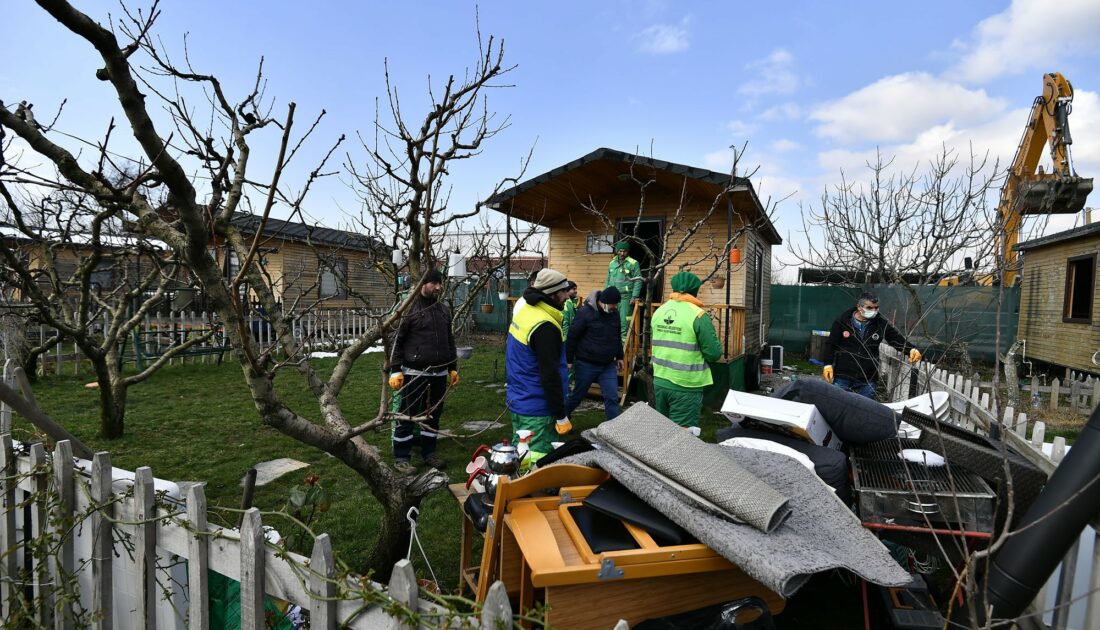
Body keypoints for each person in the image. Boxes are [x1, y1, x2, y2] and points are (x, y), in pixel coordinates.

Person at [387, 269, 459, 474]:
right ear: (423, 284)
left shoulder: (443, 310)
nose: (438, 287)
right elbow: (397, 341)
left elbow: (449, 340)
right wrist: (395, 370)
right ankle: (401, 457)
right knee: (407, 415)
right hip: (414, 372)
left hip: (439, 373)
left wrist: (452, 368)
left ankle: (429, 453)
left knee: (433, 414)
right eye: (434, 283)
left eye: (440, 283)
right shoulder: (409, 309)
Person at [506, 268, 573, 464]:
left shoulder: (526, 310)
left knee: (521, 453)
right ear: (552, 294)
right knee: (537, 462)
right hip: (538, 407)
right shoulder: (545, 326)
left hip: (519, 399)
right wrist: (561, 415)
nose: (567, 296)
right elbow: (549, 375)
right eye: (564, 292)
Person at [651, 272, 722, 428]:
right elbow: (714, 353)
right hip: (685, 386)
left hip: (660, 380)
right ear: (695, 290)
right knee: (682, 438)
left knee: (661, 431)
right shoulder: (698, 315)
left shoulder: (659, 311)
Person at [823, 291, 922, 400]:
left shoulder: (880, 324)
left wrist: (911, 349)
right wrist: (827, 364)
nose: (874, 311)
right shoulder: (843, 321)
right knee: (838, 405)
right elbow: (831, 344)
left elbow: (895, 339)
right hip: (844, 375)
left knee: (866, 411)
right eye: (869, 308)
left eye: (876, 308)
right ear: (859, 307)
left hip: (868, 379)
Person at [565, 286, 625, 420]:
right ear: (602, 302)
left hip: (608, 365)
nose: (614, 307)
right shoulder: (585, 312)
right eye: (612, 305)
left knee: (612, 398)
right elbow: (572, 336)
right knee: (577, 396)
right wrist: (568, 360)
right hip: (586, 364)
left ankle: (613, 432)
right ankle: (562, 419)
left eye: (616, 305)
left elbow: (616, 336)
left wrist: (620, 356)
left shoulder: (614, 314)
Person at [605, 241, 641, 342]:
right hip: (612, 298)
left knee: (625, 322)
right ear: (617, 251)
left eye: (624, 251)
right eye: (620, 251)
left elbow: (638, 280)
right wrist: (605, 296)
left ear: (628, 252)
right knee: (611, 321)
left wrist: (634, 296)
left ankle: (624, 348)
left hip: (626, 298)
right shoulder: (612, 263)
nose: (622, 253)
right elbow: (608, 280)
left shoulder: (633, 263)